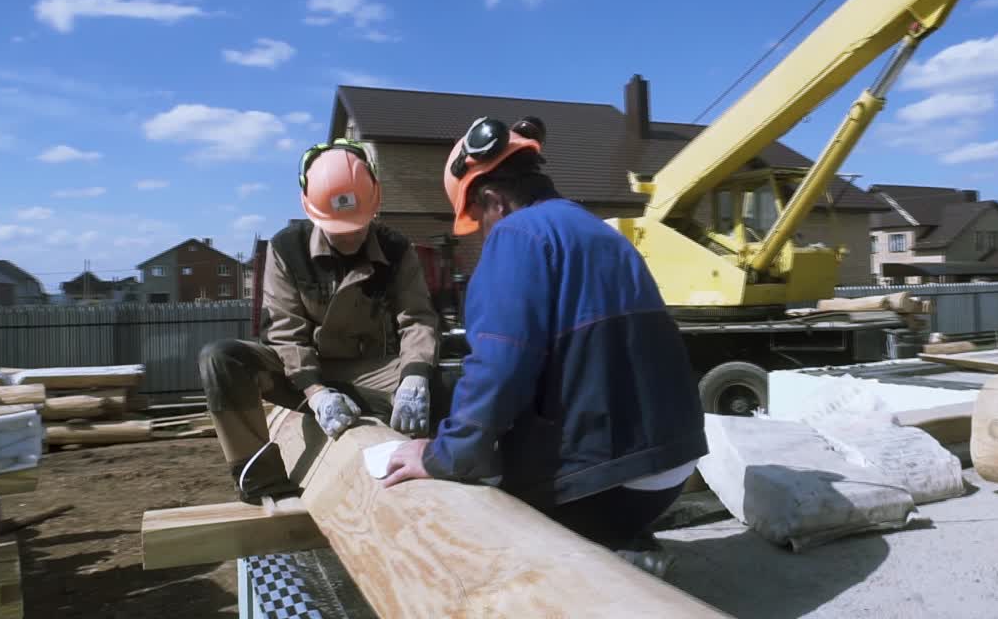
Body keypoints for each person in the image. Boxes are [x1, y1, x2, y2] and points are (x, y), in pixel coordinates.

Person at [382, 116, 707, 570]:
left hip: (607, 481)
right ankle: (621, 539)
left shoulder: (517, 236)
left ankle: (606, 556)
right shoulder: (603, 235)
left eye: (478, 219)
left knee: (477, 504)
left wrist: (440, 456)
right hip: (671, 466)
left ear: (493, 200)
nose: (482, 234)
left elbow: (497, 370)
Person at [200, 138, 439, 505]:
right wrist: (316, 393)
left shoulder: (395, 249)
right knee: (222, 359)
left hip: (371, 373)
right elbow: (285, 330)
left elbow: (417, 318)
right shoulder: (287, 249)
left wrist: (415, 377)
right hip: (303, 375)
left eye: (358, 226)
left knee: (450, 386)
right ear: (311, 211)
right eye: (337, 227)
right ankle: (264, 482)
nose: (349, 235)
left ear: (374, 205)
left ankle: (438, 486)